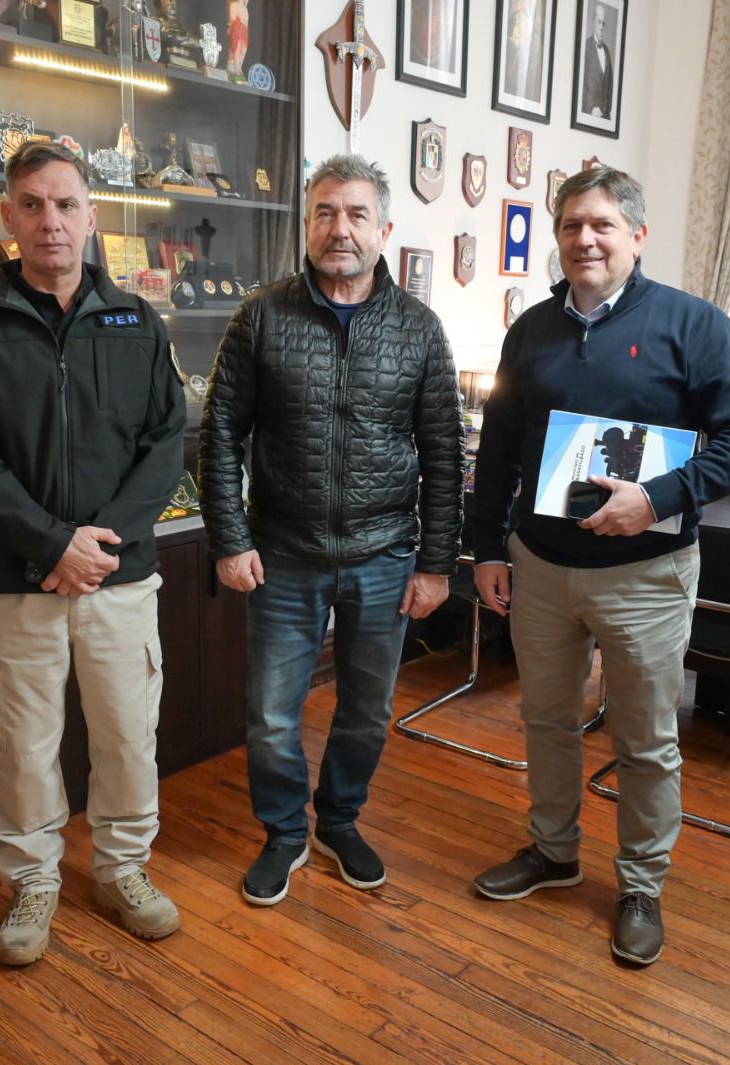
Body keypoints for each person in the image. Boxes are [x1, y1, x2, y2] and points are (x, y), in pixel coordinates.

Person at [465, 166, 730, 966]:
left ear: (637, 235)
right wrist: (487, 545)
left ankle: (640, 884)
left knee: (644, 739)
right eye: (571, 225)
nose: (585, 239)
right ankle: (553, 850)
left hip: (647, 573)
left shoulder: (695, 327)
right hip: (541, 567)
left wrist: (658, 496)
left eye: (602, 224)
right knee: (546, 721)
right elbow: (500, 446)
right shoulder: (531, 330)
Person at [0, 141, 186, 965]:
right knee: (22, 743)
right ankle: (34, 879)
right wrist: (51, 544)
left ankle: (122, 868)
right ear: (9, 216)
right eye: (34, 205)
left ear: (91, 216)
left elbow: (166, 443)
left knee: (127, 735)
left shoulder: (136, 321)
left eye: (67, 205)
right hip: (17, 579)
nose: (52, 222)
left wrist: (100, 543)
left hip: (119, 575)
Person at [199, 154, 462, 907]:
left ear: (383, 229)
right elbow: (220, 433)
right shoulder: (261, 316)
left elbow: (444, 451)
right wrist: (229, 538)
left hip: (385, 556)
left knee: (367, 711)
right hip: (282, 555)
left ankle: (339, 821)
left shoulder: (418, 330)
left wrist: (437, 562)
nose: (339, 228)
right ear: (307, 225)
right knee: (271, 715)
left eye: (355, 214)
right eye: (324, 212)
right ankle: (285, 832)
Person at [580, 3, 614, 120]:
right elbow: (581, 84)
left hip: (605, 119)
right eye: (599, 22)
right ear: (593, 22)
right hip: (588, 116)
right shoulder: (585, 47)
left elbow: (610, 85)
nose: (601, 27)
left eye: (603, 23)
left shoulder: (607, 51)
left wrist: (607, 112)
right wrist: (590, 109)